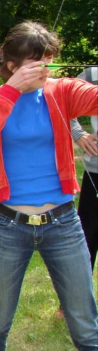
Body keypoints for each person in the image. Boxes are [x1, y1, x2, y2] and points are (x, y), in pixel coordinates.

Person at [0, 21, 98, 351]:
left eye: (49, 61)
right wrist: (12, 91)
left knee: (87, 327)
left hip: (62, 223)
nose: (45, 69)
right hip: (9, 226)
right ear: (11, 64)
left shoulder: (62, 91)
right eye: (35, 63)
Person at [71, 66, 98, 273]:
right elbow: (64, 103)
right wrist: (78, 134)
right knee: (88, 237)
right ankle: (75, 303)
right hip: (96, 172)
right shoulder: (93, 75)